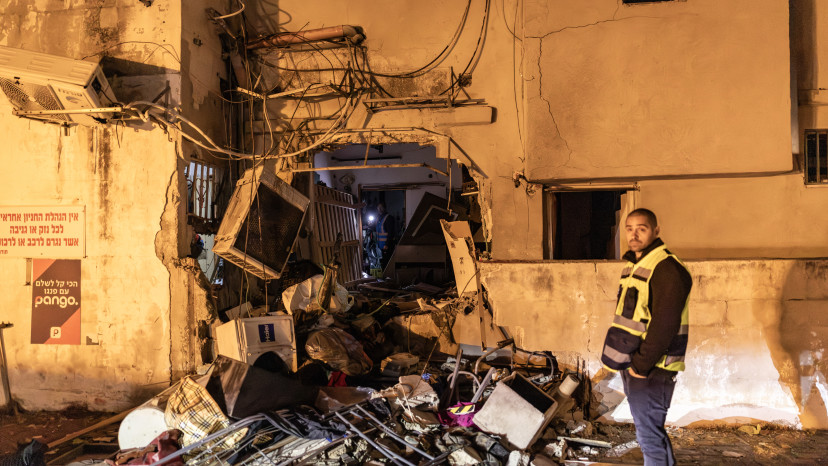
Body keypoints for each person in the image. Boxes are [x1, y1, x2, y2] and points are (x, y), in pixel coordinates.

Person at [601, 208, 692, 466]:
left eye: (641, 229)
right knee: (651, 435)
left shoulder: (666, 268)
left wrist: (640, 367)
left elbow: (665, 324)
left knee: (650, 438)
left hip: (652, 368)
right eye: (629, 229)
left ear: (656, 231)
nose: (634, 234)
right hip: (635, 364)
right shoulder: (634, 265)